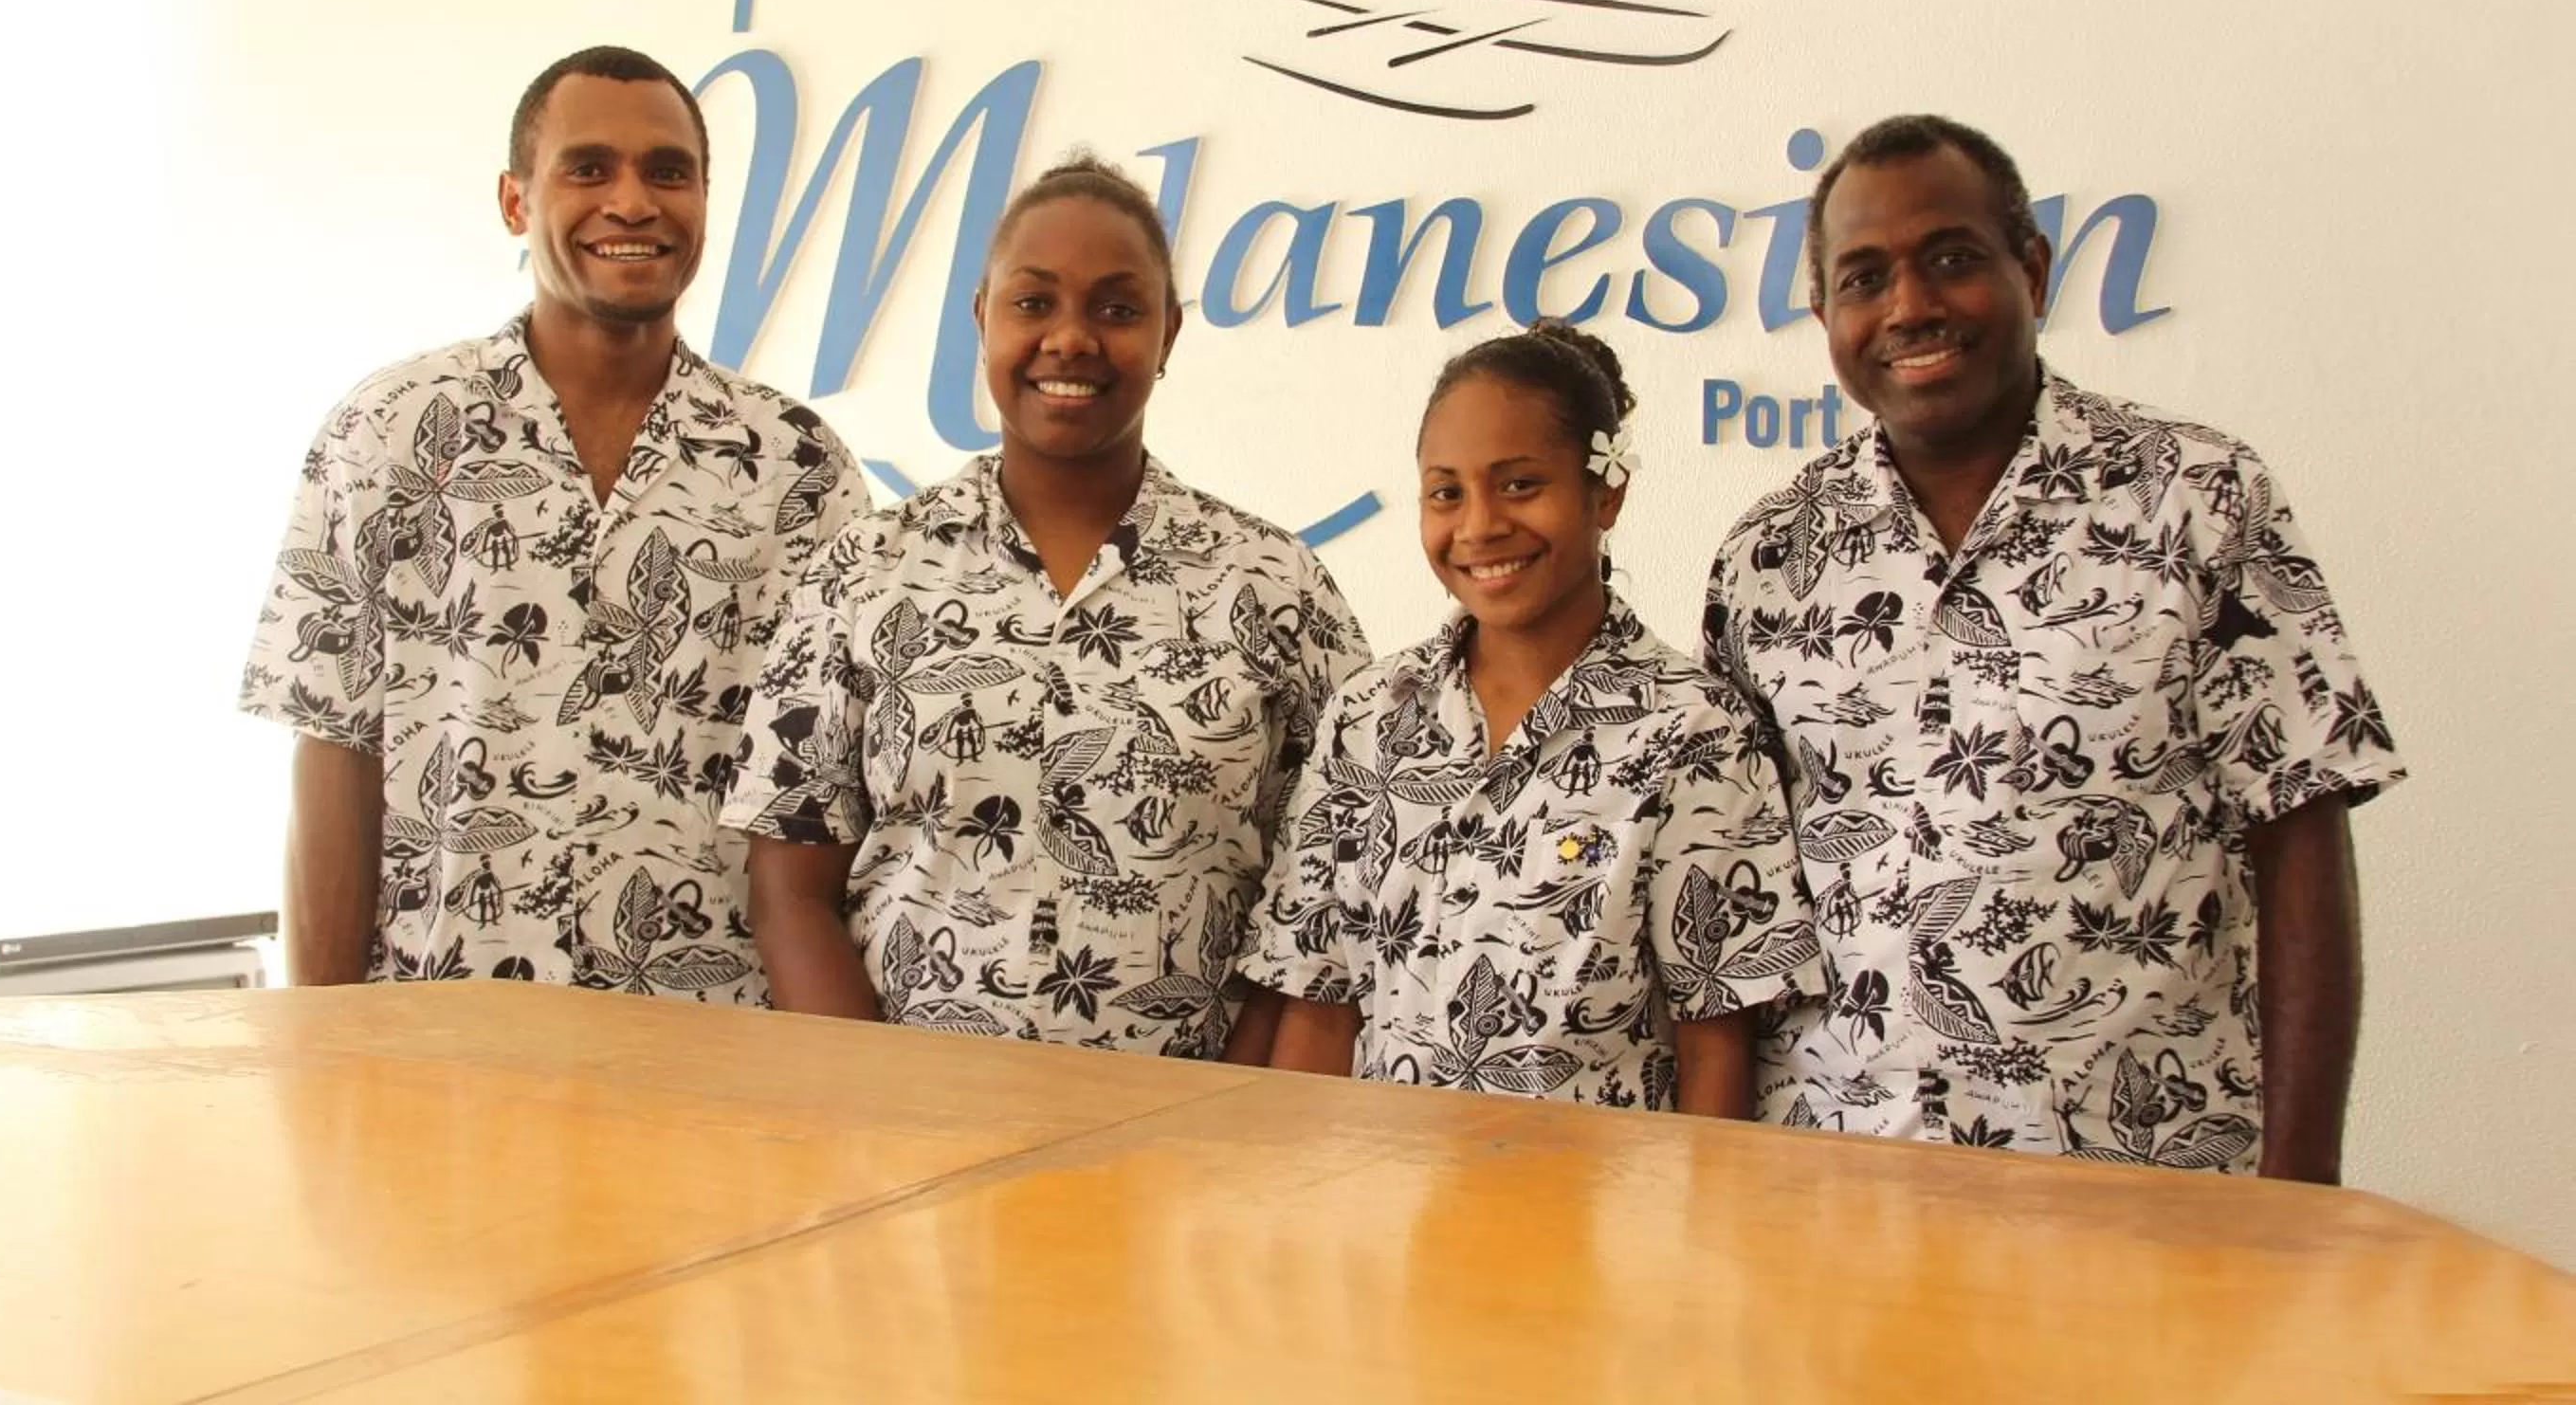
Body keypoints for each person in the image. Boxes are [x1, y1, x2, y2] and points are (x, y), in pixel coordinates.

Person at [1703, 114, 2402, 1177]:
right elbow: (1735, 898)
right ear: (1824, 314)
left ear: (2031, 268)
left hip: (2143, 1174)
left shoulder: (2199, 499)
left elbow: (2300, 829)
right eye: (1864, 278)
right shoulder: (1766, 557)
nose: (1910, 306)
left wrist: (2302, 1190)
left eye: (1951, 259)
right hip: (1833, 1180)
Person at [240, 45, 865, 994]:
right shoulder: (388, 432)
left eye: (669, 172)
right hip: (440, 1037)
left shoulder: (797, 466)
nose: (632, 202)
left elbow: (824, 801)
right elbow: (334, 749)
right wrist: (319, 1038)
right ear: (515, 201)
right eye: (589, 168)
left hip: (710, 1040)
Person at [722, 154, 1367, 1060]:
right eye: (1033, 303)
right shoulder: (866, 574)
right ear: (982, 318)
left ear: (1170, 333)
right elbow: (789, 891)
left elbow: (1326, 897)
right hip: (906, 1121)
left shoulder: (1274, 588)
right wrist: (867, 1103)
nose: (1071, 338)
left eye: (1118, 309)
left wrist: (1236, 1107)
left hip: (1185, 1127)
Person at [1242, 320, 1821, 1113]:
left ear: (1606, 491)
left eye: (1519, 484)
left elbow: (1715, 1038)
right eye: (1447, 492)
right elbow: (1319, 1002)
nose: (1479, 526)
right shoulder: (1368, 718)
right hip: (1381, 1183)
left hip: (1602, 1189)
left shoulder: (1694, 732)